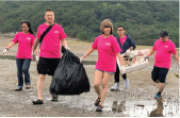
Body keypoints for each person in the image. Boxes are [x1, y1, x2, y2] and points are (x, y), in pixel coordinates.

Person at [80, 19, 124, 112]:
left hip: (110, 66)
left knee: (104, 84)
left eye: (109, 27)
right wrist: (84, 56)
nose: (107, 29)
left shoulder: (113, 39)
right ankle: (100, 96)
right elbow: (92, 48)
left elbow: (118, 54)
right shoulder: (99, 38)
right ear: (102, 28)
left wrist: (122, 64)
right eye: (105, 27)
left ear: (111, 28)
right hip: (99, 65)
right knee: (96, 84)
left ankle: (101, 104)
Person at [32, 9, 69, 105]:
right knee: (42, 76)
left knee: (54, 76)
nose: (49, 17)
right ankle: (40, 98)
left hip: (56, 57)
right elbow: (37, 39)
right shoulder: (41, 27)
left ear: (54, 17)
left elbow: (63, 39)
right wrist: (33, 48)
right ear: (45, 17)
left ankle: (55, 94)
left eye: (51, 15)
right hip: (43, 56)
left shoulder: (58, 28)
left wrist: (65, 46)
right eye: (48, 15)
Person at [2, 21, 38, 91]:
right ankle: (19, 85)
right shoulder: (18, 35)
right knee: (19, 71)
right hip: (19, 56)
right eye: (22, 27)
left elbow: (34, 46)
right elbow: (13, 42)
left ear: (29, 27)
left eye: (25, 27)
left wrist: (37, 56)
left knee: (24, 69)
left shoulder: (31, 36)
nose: (23, 28)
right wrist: (6, 49)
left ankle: (28, 82)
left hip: (28, 56)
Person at [145, 31, 180, 99]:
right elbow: (153, 49)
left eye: (163, 36)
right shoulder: (157, 42)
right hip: (156, 64)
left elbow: (175, 54)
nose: (162, 38)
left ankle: (159, 93)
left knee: (161, 79)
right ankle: (163, 83)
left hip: (165, 65)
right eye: (160, 36)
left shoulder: (171, 44)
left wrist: (179, 62)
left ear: (167, 36)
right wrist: (148, 55)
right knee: (154, 78)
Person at [111, 26, 136, 91]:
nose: (120, 31)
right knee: (116, 70)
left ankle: (125, 80)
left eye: (121, 30)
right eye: (118, 30)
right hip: (117, 56)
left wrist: (129, 49)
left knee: (122, 69)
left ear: (124, 31)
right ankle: (117, 84)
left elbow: (133, 46)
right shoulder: (115, 39)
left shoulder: (128, 39)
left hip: (125, 56)